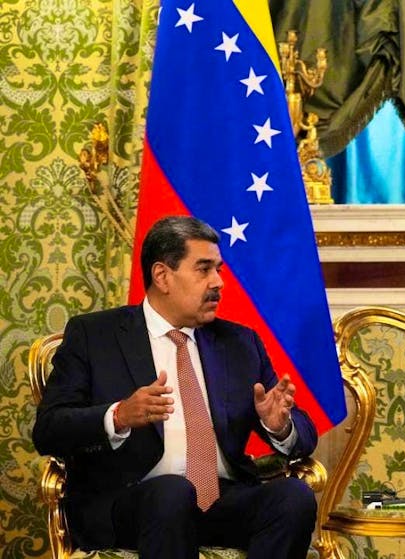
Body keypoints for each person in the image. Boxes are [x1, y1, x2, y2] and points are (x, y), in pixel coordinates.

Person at [33, 216, 319, 559]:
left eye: (219, 270)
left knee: (293, 497)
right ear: (162, 276)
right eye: (204, 269)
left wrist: (279, 426)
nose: (219, 283)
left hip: (221, 499)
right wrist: (118, 416)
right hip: (133, 502)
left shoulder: (240, 342)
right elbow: (49, 430)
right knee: (172, 493)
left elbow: (304, 436)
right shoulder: (95, 336)